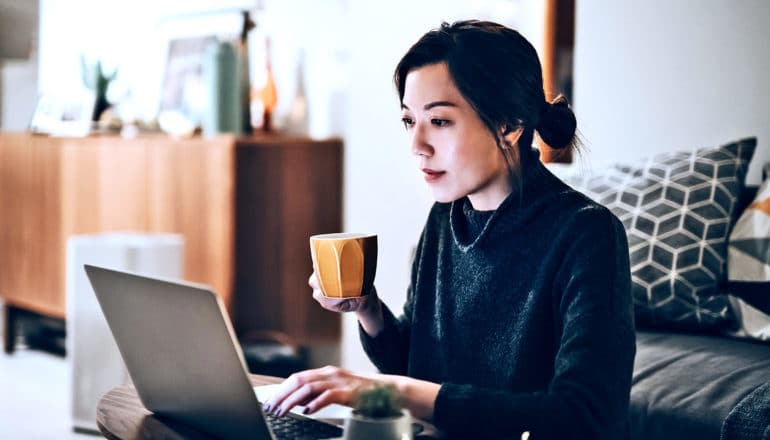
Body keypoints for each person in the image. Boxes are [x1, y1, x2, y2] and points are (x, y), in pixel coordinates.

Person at [264, 20, 635, 439]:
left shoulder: (587, 235)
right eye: (409, 121)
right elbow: (416, 367)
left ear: (510, 125)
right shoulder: (446, 217)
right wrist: (366, 307)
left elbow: (584, 417)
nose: (416, 144)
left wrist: (388, 389)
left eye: (439, 121)